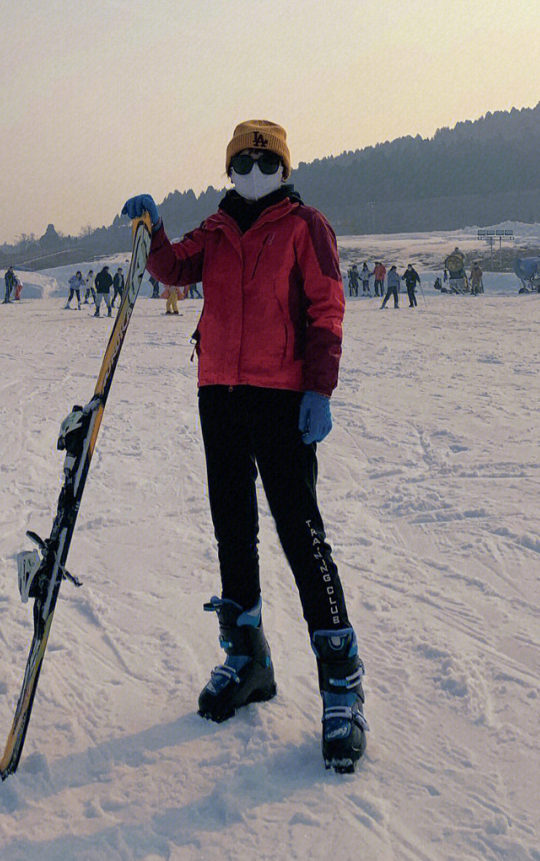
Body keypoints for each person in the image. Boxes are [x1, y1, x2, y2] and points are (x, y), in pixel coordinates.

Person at [123, 118, 366, 772]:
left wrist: (319, 388)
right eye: (243, 161)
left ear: (283, 167)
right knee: (232, 521)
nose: (253, 170)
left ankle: (341, 678)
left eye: (266, 160)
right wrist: (155, 231)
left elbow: (327, 308)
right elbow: (176, 270)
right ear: (231, 168)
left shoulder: (304, 225)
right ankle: (248, 654)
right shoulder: (218, 227)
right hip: (220, 390)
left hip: (281, 394)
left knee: (299, 528)